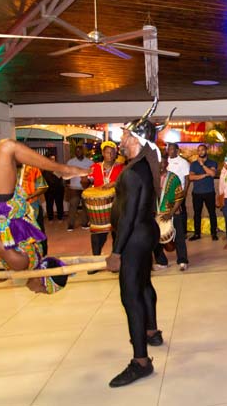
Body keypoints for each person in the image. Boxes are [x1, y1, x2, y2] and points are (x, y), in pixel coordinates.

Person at [105, 110, 163, 388]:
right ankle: (151, 331)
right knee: (144, 284)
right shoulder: (143, 166)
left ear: (137, 140)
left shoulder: (132, 172)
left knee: (131, 296)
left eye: (126, 135)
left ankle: (141, 362)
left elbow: (127, 217)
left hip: (134, 238)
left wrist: (117, 252)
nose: (122, 140)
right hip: (145, 233)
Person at [0, 139, 88, 293]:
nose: (37, 292)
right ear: (42, 279)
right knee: (7, 147)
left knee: (8, 149)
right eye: (42, 290)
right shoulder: (21, 264)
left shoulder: (34, 257)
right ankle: (64, 169)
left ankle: (63, 169)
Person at [86, 141, 123, 258]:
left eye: (112, 153)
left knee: (117, 236)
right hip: (99, 209)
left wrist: (115, 183)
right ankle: (95, 259)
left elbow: (126, 183)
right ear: (103, 153)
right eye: (107, 152)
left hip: (116, 206)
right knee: (97, 236)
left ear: (116, 154)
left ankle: (116, 259)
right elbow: (86, 184)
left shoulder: (121, 168)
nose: (110, 155)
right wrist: (84, 180)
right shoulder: (94, 167)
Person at [153, 154, 187, 270]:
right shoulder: (153, 178)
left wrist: (171, 213)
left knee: (179, 237)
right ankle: (161, 262)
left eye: (162, 163)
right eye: (158, 163)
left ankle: (182, 260)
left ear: (167, 164)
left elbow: (179, 198)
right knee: (155, 238)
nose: (160, 165)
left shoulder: (173, 178)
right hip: (157, 213)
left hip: (172, 212)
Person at [165, 142, 190, 269]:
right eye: (168, 149)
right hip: (163, 201)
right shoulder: (165, 162)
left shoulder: (183, 162)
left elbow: (187, 178)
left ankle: (182, 259)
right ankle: (161, 260)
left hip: (177, 197)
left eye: (172, 149)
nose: (169, 151)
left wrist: (184, 193)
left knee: (178, 227)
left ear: (177, 150)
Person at [189, 144, 218, 241]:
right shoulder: (193, 164)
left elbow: (212, 174)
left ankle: (213, 233)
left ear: (206, 151)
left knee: (212, 213)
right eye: (199, 150)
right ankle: (197, 234)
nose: (200, 152)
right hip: (197, 193)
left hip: (209, 192)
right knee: (197, 214)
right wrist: (205, 175)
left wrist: (202, 165)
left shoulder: (212, 162)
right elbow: (191, 177)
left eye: (202, 150)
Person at [18, 164, 49, 255]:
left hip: (32, 206)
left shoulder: (32, 168)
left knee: (38, 232)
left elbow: (43, 187)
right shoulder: (6, 168)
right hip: (14, 208)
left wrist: (30, 196)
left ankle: (43, 255)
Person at [66, 145, 92, 231]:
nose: (78, 152)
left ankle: (85, 223)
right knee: (73, 206)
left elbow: (93, 174)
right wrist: (67, 183)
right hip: (74, 188)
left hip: (86, 188)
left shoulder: (90, 162)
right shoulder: (70, 162)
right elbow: (66, 174)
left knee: (85, 206)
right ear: (75, 152)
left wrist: (89, 180)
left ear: (83, 151)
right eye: (76, 151)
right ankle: (70, 225)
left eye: (80, 150)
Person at [42, 155, 65, 222]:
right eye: (51, 159)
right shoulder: (44, 168)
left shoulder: (58, 167)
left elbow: (60, 176)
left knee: (59, 204)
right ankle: (50, 218)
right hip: (49, 190)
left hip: (59, 189)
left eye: (53, 159)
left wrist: (53, 170)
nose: (52, 160)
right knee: (49, 204)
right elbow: (44, 178)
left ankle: (60, 217)